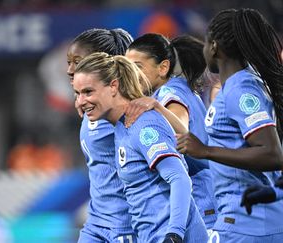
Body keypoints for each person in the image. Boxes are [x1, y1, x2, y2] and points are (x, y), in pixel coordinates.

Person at [73, 52, 208, 243]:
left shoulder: (143, 125)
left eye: (88, 92)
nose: (80, 101)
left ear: (113, 86)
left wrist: (174, 234)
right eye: (77, 94)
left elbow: (179, 178)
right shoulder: (121, 127)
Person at [176, 8, 283, 242]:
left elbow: (272, 153)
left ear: (213, 46)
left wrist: (205, 150)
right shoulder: (242, 84)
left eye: (205, 42)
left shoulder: (241, 90)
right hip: (245, 219)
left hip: (249, 223)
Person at [124, 33, 218, 230]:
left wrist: (158, 108)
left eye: (138, 67)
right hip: (210, 192)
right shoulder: (182, 87)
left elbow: (183, 132)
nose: (131, 74)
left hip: (201, 198)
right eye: (128, 67)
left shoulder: (169, 94)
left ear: (163, 67)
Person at [67, 28, 137, 243]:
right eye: (68, 61)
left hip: (124, 224)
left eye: (77, 62)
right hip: (96, 222)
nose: (70, 69)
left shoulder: (130, 113)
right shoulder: (92, 108)